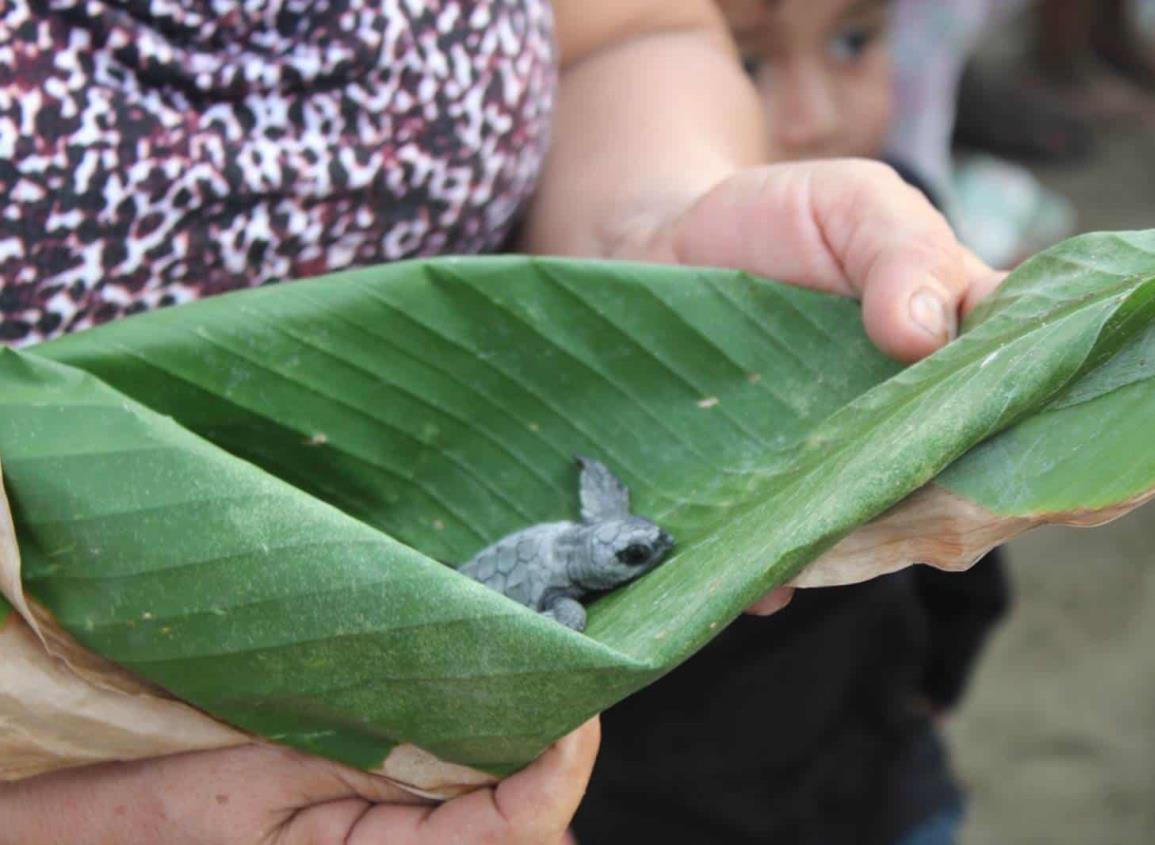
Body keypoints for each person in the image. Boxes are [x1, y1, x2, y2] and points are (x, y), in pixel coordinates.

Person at [0, 1, 1003, 842]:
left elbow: (625, 28)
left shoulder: (591, 540)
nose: (644, 550)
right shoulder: (572, 580)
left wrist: (646, 238)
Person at [571, 3, 1010, 844]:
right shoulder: (601, 292)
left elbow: (978, 507)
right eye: (748, 63)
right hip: (654, 798)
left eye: (852, 42)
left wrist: (938, 675)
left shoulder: (898, 227)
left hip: (870, 758)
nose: (813, 114)